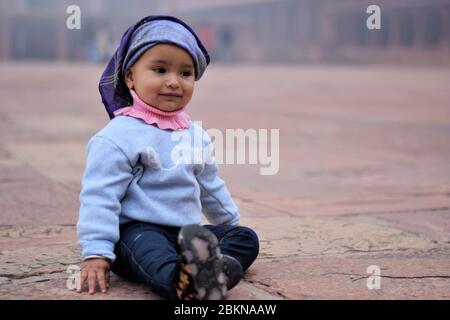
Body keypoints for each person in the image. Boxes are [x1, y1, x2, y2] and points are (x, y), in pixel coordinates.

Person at [76, 15, 259, 300]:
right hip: (135, 234)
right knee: (151, 250)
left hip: (186, 233)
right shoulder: (118, 136)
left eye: (185, 74)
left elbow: (209, 184)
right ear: (130, 77)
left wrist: (228, 224)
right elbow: (100, 196)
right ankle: (182, 282)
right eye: (160, 70)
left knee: (246, 238)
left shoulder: (194, 133)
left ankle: (210, 267)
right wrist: (96, 252)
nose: (174, 82)